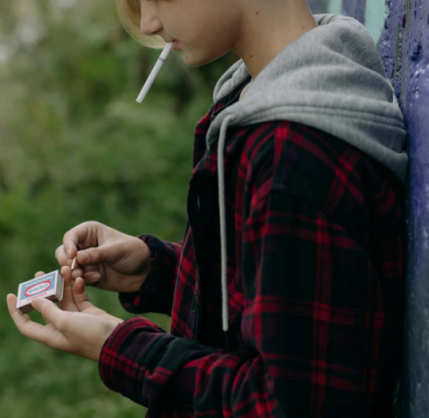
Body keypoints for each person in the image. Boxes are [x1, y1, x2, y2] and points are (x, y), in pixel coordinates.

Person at [5, 0, 408, 416]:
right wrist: (154, 269)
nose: (149, 23)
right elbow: (281, 294)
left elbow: (287, 405)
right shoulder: (268, 97)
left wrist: (123, 347)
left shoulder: (292, 155)